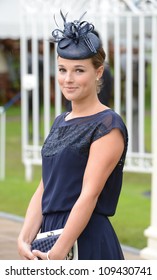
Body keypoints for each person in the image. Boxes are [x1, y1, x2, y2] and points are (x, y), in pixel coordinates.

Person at [18, 11, 128, 260]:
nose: (68, 79)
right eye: (62, 69)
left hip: (85, 239)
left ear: (98, 72)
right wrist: (24, 237)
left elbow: (89, 194)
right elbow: (46, 185)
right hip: (49, 238)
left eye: (79, 70)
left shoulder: (107, 125)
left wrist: (61, 248)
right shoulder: (60, 121)